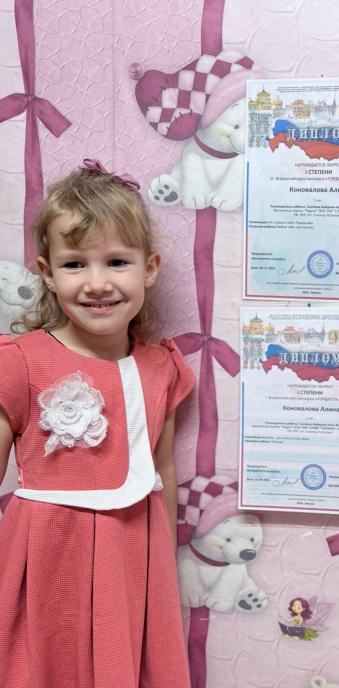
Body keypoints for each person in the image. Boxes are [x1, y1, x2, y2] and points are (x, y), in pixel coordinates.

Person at [0, 160, 195, 688]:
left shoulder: (162, 367)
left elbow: (162, 472)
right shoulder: (19, 363)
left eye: (116, 261)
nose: (97, 283)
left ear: (149, 268)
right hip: (46, 562)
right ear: (47, 273)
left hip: (133, 558)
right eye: (74, 264)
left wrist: (162, 566)